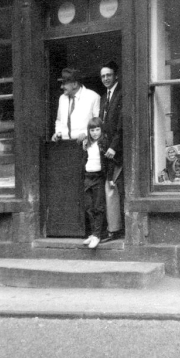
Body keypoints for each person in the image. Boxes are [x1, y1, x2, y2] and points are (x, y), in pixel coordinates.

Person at [99, 61, 124, 241]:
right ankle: (113, 228)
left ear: (115, 75)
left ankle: (116, 230)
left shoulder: (121, 94)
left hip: (118, 151)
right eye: (103, 76)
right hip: (106, 151)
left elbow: (121, 125)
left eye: (108, 75)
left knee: (116, 189)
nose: (106, 78)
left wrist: (114, 147)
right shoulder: (103, 97)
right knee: (110, 189)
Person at [81, 117, 109, 249]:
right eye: (92, 130)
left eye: (97, 129)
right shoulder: (88, 143)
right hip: (88, 177)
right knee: (89, 207)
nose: (95, 133)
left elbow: (107, 162)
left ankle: (98, 235)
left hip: (98, 177)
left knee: (98, 206)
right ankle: (93, 233)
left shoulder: (103, 142)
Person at [51, 68, 100, 142]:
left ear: (74, 84)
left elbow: (98, 123)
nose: (61, 87)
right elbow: (59, 120)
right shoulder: (62, 98)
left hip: (86, 144)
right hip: (65, 145)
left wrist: (87, 135)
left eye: (64, 83)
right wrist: (58, 133)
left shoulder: (93, 97)